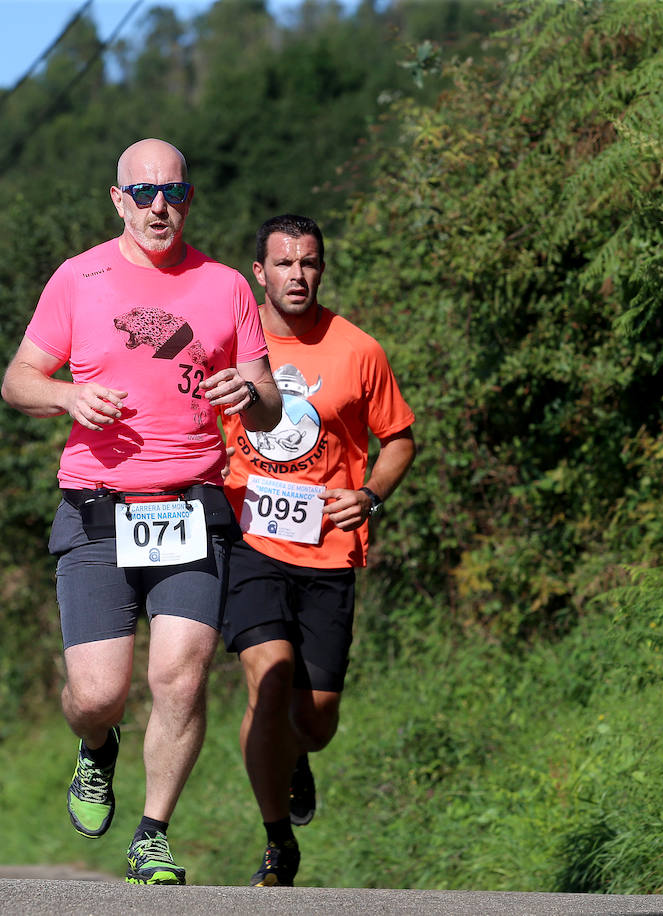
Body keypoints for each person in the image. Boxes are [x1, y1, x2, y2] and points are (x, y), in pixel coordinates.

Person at [1, 138, 282, 885]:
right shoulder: (79, 278)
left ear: (189, 199)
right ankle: (97, 750)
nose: (162, 206)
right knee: (97, 694)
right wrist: (65, 395)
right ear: (119, 199)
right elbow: (18, 379)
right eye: (146, 192)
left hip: (192, 502)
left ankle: (152, 832)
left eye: (176, 192)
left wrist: (246, 396)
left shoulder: (225, 287)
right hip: (97, 503)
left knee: (182, 678)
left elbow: (268, 402)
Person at [220, 214, 416, 887]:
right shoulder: (230, 345)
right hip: (250, 543)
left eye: (308, 263)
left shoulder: (359, 349)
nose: (296, 276)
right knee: (268, 678)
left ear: (321, 269)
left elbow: (399, 439)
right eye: (283, 264)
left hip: (329, 552)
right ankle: (277, 841)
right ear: (259, 273)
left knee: (316, 722)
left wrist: (372, 496)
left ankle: (296, 757)